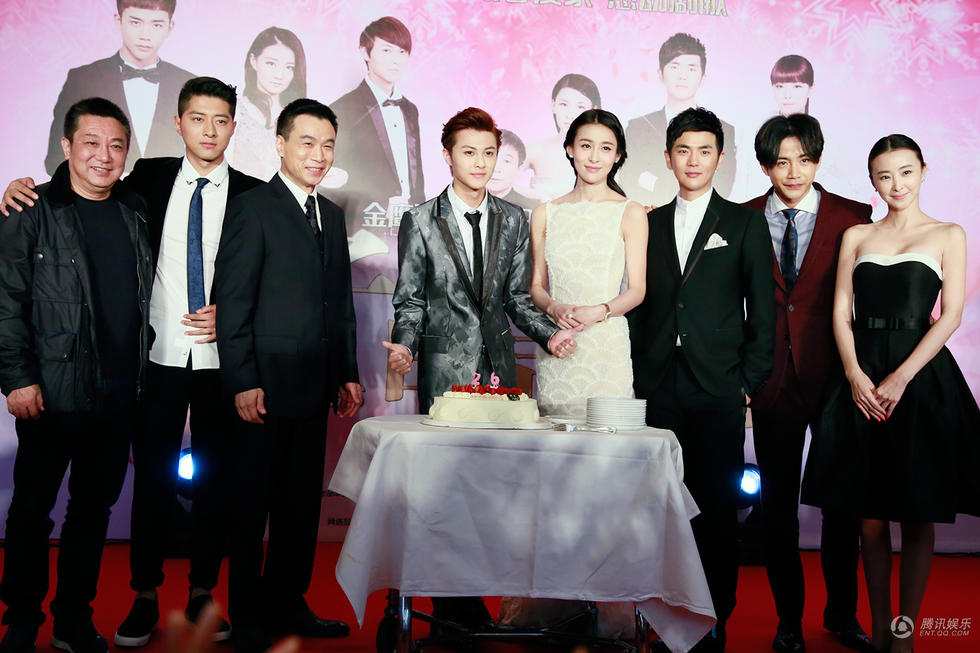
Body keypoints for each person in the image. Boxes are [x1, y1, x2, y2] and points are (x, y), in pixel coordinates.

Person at [0, 77, 264, 648]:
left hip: (198, 366)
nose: (209, 130)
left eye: (221, 120)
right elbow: (14, 289)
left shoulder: (247, 195)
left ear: (233, 127)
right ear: (178, 123)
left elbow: (270, 278)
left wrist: (236, 314)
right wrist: (18, 189)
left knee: (201, 483)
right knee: (136, 484)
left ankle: (189, 593)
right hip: (138, 365)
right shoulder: (141, 184)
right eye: (198, 118)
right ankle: (123, 598)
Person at [382, 107, 578, 631]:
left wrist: (549, 334)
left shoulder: (513, 219)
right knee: (441, 493)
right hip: (444, 374)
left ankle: (471, 603)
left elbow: (517, 299)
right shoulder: (421, 219)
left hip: (499, 376)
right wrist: (405, 349)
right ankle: (447, 609)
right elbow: (410, 301)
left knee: (490, 493)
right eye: (468, 152)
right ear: (447, 156)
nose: (480, 163)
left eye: (489, 153)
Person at [802, 135, 980, 653]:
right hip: (860, 375)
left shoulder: (948, 233)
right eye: (884, 175)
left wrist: (901, 377)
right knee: (869, 514)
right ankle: (880, 629)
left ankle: (904, 634)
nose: (896, 184)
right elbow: (841, 311)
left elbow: (950, 315)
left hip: (918, 377)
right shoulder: (857, 235)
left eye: (905, 172)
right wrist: (854, 374)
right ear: (873, 182)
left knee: (918, 511)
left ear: (923, 171)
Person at [0, 98, 153, 653]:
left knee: (91, 512)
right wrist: (16, 378)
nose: (103, 155)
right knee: (32, 512)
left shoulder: (136, 210)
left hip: (119, 393)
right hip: (50, 392)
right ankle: (21, 620)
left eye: (116, 145)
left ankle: (72, 620)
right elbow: (6, 301)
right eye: (91, 142)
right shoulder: (30, 210)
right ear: (66, 146)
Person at [213, 98, 361, 653]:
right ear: (280, 144)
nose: (318, 155)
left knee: (300, 508)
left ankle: (288, 603)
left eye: (327, 145)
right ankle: (247, 615)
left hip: (314, 387)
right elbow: (232, 301)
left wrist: (346, 372)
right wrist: (241, 379)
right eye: (307, 142)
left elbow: (339, 304)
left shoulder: (333, 215)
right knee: (251, 507)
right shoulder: (252, 209)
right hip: (263, 389)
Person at [628, 107, 774, 653]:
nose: (693, 160)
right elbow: (639, 305)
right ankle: (662, 619)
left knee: (715, 507)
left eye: (705, 151)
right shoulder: (648, 222)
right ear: (667, 158)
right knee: (662, 507)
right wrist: (636, 373)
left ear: (720, 158)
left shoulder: (744, 224)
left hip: (718, 388)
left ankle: (713, 618)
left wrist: (747, 383)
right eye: (683, 150)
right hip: (658, 385)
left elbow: (763, 312)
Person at [743, 114, 872, 653]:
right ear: (765, 167)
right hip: (772, 380)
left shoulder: (853, 217)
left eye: (803, 159)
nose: (793, 172)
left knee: (842, 503)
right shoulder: (745, 218)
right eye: (780, 162)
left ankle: (843, 614)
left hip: (837, 378)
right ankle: (788, 621)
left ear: (817, 160)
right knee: (778, 506)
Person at [44, 0, 194, 175]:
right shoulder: (83, 78)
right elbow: (56, 158)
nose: (145, 35)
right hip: (99, 191)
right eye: (135, 22)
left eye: (156, 25)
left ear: (170, 27)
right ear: (118, 20)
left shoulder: (187, 83)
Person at [330, 16, 425, 259]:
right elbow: (337, 178)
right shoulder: (342, 109)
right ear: (365, 52)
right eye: (386, 50)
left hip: (409, 227)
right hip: (364, 230)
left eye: (402, 52)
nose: (396, 60)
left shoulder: (410, 109)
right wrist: (382, 203)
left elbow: (415, 170)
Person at [619, 33, 737, 209]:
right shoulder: (639, 127)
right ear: (660, 74)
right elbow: (630, 178)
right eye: (674, 67)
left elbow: (723, 185)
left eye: (691, 68)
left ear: (703, 78)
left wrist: (654, 181)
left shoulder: (723, 129)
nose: (682, 76)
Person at [230, 27, 306, 182]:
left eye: (289, 67)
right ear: (253, 61)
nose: (279, 75)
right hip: (240, 195)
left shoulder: (299, 119)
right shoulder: (234, 110)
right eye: (271, 64)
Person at [520, 73, 601, 203]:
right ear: (553, 105)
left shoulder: (604, 156)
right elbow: (500, 184)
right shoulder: (536, 150)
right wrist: (534, 196)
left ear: (594, 110)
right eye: (563, 104)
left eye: (580, 107)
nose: (570, 114)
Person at [487, 129, 536, 212]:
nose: (496, 169)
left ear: (519, 169)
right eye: (490, 157)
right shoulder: (464, 204)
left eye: (507, 161)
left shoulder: (531, 209)